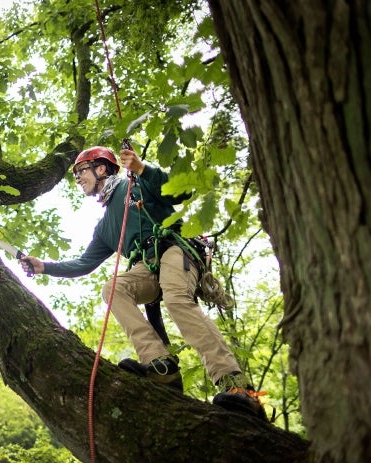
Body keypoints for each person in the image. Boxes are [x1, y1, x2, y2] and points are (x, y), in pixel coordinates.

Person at [19, 146, 265, 419]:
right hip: (146, 266)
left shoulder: (135, 186)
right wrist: (45, 267)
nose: (77, 178)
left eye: (80, 171)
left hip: (174, 249)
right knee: (112, 288)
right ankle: (160, 364)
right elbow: (83, 264)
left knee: (176, 299)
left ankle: (235, 384)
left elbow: (180, 192)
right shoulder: (104, 228)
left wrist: (141, 169)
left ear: (101, 168)